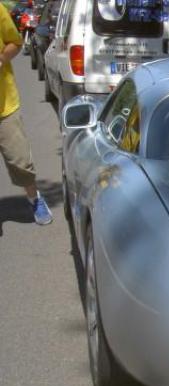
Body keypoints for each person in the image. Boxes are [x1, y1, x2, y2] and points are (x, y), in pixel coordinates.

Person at [0, 2, 52, 225]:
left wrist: (1, 59)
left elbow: (15, 42)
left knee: (20, 160)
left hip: (4, 105)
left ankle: (34, 198)